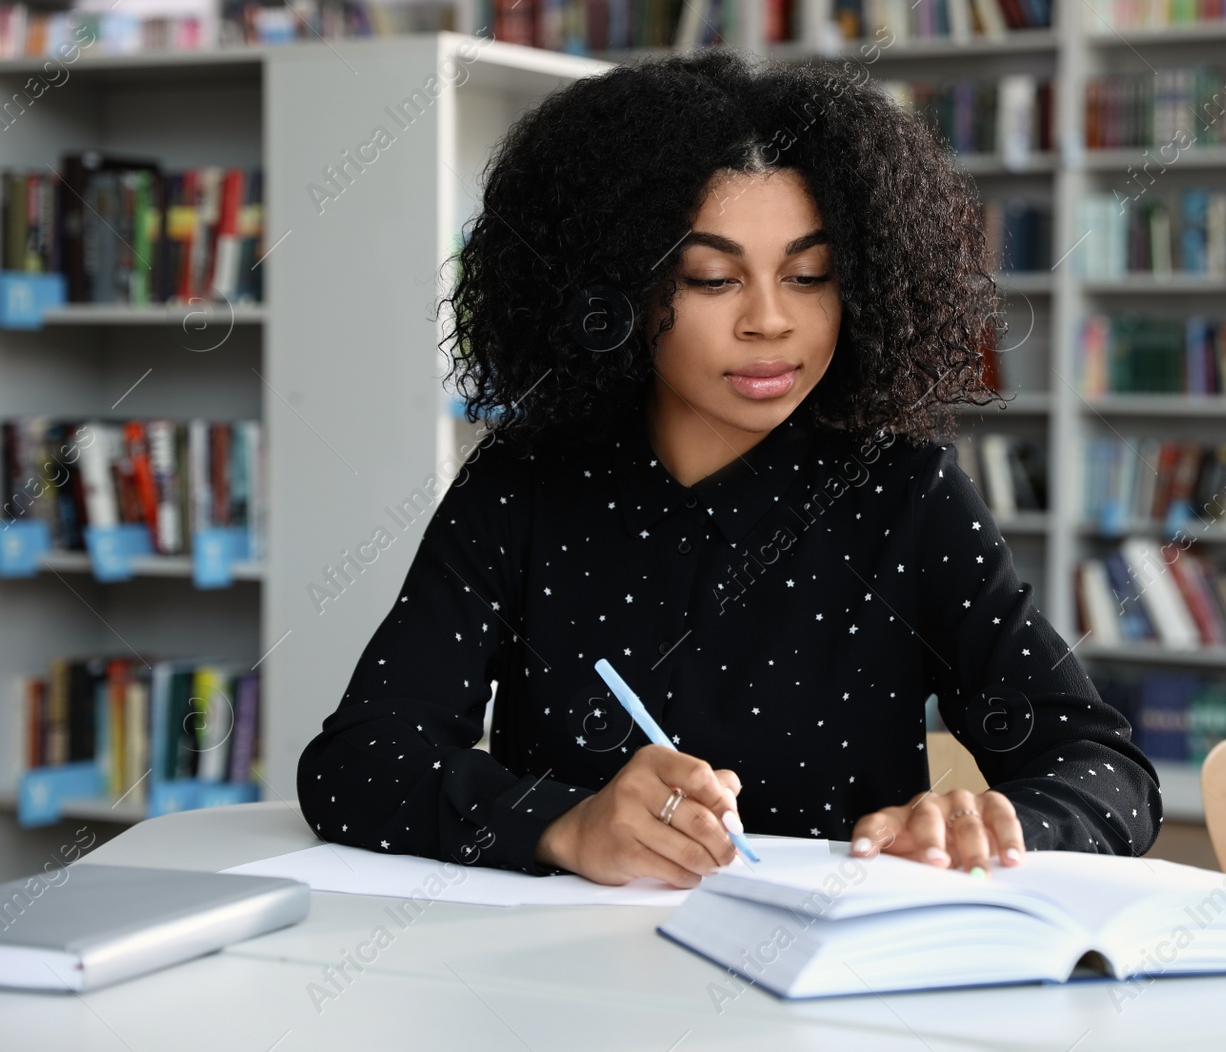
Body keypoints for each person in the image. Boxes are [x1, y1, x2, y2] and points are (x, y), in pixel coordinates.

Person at [296, 49, 1160, 890]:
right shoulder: (522, 481)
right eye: (712, 279)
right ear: (614, 289)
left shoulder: (905, 489)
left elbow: (1106, 770)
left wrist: (996, 821)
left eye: (810, 274)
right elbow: (359, 761)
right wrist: (562, 823)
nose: (771, 321)